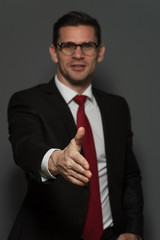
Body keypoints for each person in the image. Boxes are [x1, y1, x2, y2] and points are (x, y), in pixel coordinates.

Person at [8, 11, 143, 240]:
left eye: (87, 45)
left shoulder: (117, 107)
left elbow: (129, 175)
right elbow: (25, 147)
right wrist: (56, 161)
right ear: (54, 52)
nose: (77, 54)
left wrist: (133, 230)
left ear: (99, 52)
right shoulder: (27, 101)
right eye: (68, 45)